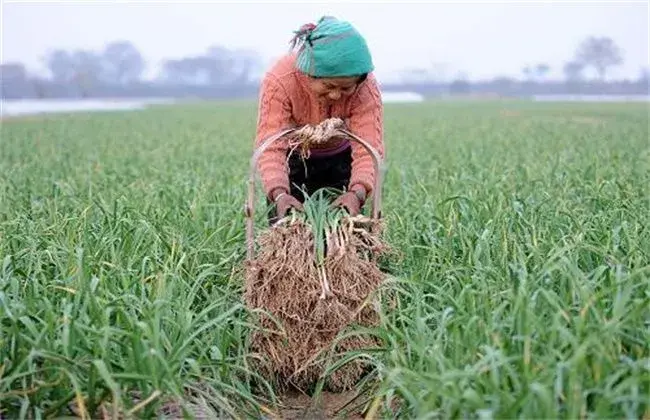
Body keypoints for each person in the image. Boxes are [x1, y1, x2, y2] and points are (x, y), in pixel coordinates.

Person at [253, 16, 385, 224]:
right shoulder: (281, 79)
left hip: (341, 158)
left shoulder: (365, 87)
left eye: (345, 88)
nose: (335, 95)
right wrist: (278, 193)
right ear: (309, 74)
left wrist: (357, 193)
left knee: (345, 226)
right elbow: (271, 145)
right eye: (328, 86)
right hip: (294, 158)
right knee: (287, 225)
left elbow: (368, 149)